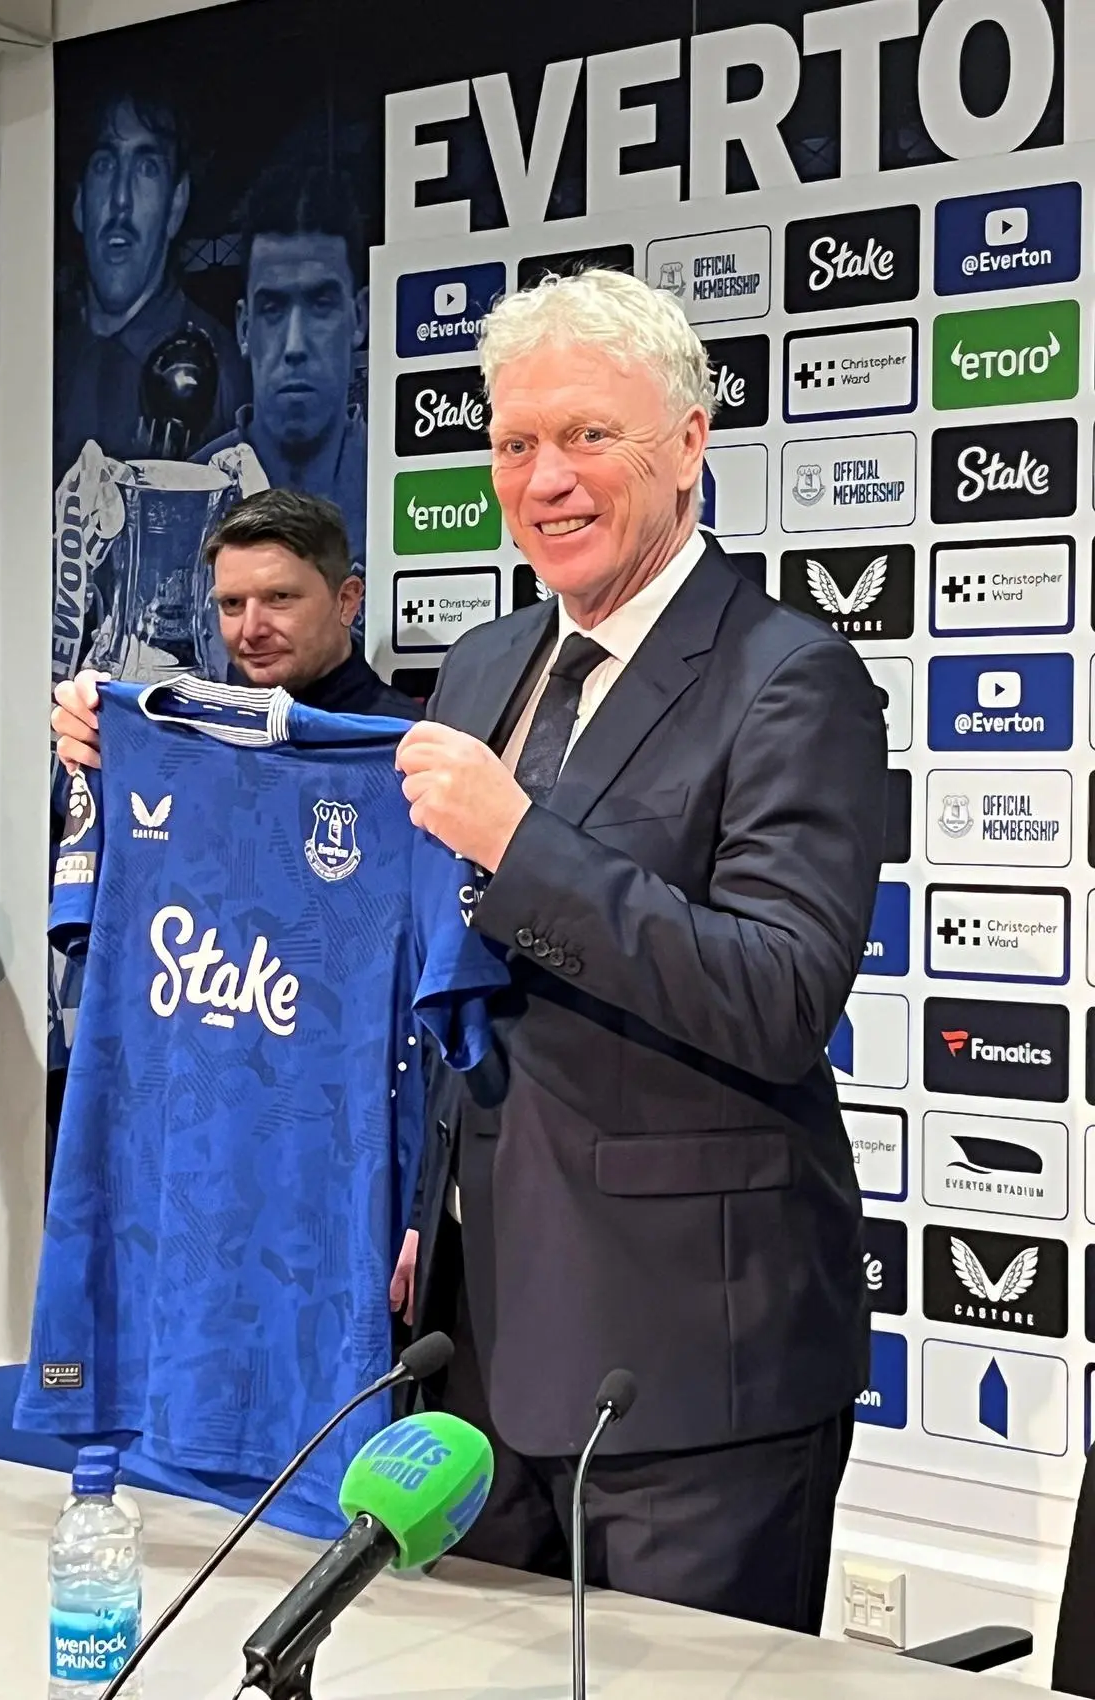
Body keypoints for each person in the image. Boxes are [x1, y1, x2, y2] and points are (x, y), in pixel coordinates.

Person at [390, 268, 887, 1633]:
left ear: (688, 443)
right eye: (513, 443)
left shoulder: (791, 678)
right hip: (475, 1341)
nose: (544, 477)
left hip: (690, 1368)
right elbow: (439, 952)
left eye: (588, 436)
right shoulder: (488, 662)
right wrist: (137, 741)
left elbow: (780, 993)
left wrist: (521, 843)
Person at [51, 487, 419, 763]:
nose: (251, 629)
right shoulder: (181, 734)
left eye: (280, 598)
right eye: (232, 604)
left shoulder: (407, 748)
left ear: (347, 599)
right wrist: (104, 745)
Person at [53, 90, 246, 482]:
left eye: (147, 169)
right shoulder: (44, 365)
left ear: (176, 204)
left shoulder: (223, 372)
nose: (120, 200)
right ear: (78, 202)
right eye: (105, 165)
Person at [193, 161, 369, 569]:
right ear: (244, 326)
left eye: (321, 305)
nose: (294, 345)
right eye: (272, 308)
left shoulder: (397, 485)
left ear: (359, 318)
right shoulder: (190, 495)